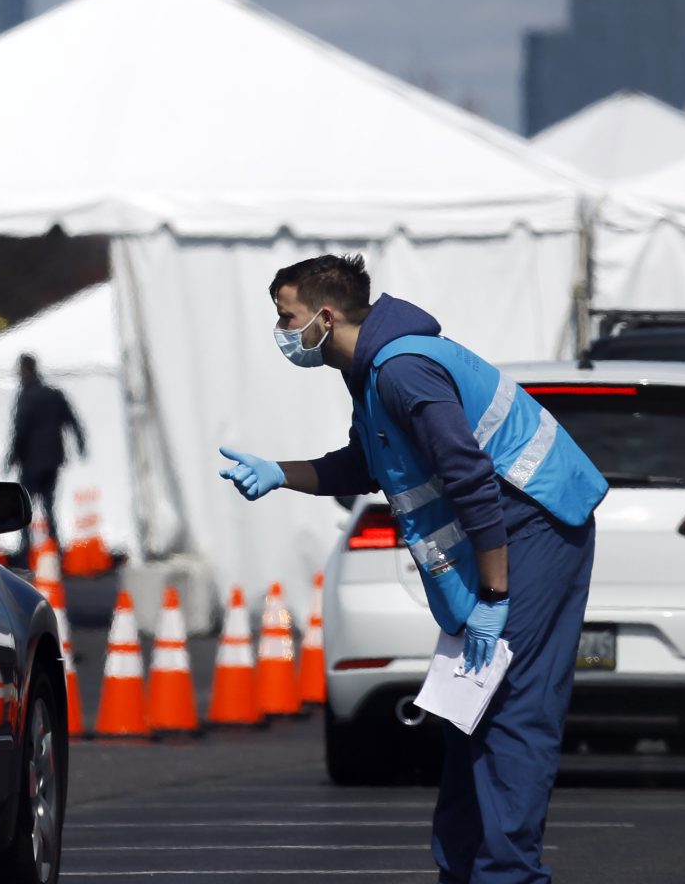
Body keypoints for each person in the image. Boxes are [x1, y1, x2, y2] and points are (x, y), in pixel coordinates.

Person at [218, 254, 605, 884]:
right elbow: (365, 464)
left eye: (285, 317)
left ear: (324, 315)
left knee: (511, 709)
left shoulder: (402, 369)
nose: (281, 331)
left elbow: (470, 477)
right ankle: (465, 867)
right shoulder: (369, 370)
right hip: (509, 536)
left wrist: (495, 594)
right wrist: (280, 473)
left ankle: (506, 876)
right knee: (468, 708)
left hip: (534, 528)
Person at [6, 353, 86, 548]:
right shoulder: (53, 394)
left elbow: (20, 430)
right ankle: (54, 547)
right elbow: (72, 421)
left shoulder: (26, 396)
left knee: (25, 507)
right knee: (49, 506)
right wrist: (80, 443)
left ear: (25, 370)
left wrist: (11, 457)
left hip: (32, 461)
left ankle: (26, 551)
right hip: (52, 459)